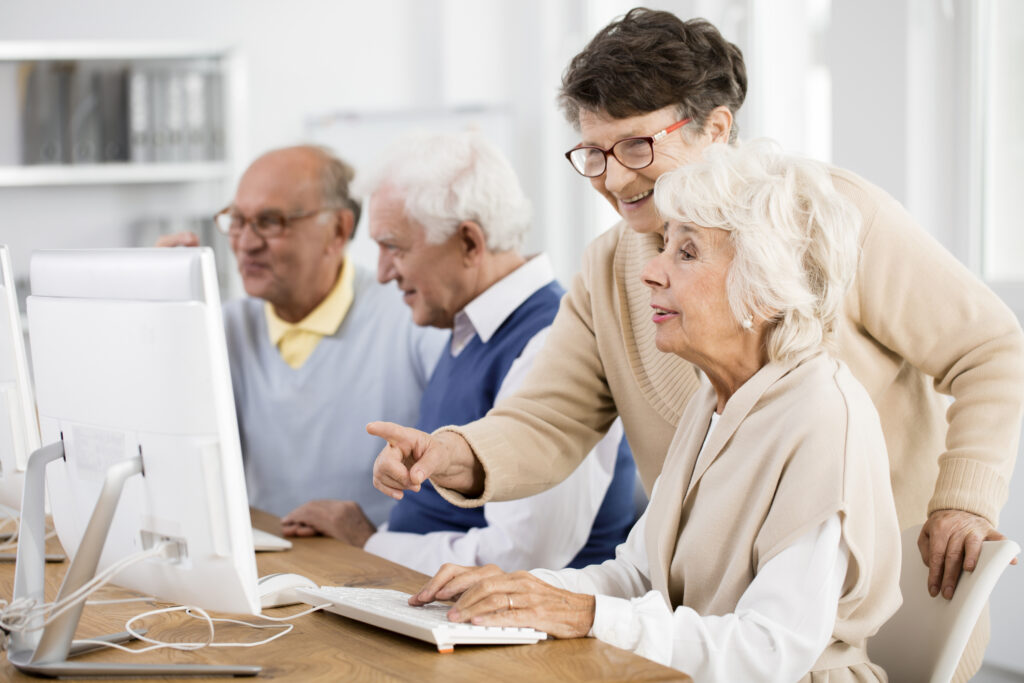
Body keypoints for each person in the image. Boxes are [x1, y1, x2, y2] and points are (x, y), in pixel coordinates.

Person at [368, 9, 1024, 679]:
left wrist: (963, 500)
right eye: (593, 151)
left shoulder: (831, 221)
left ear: (717, 128)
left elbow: (991, 347)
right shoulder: (617, 281)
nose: (614, 178)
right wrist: (454, 452)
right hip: (702, 630)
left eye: (636, 145)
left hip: (863, 616)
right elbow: (548, 419)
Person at [407, 140, 902, 681]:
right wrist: (520, 591)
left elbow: (770, 650)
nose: (651, 272)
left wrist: (586, 615)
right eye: (665, 246)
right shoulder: (715, 399)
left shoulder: (823, 415)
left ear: (767, 288)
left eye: (686, 253)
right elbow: (639, 576)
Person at [281, 132, 635, 574]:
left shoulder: (549, 342)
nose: (385, 272)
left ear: (469, 243)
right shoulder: (468, 327)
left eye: (394, 247)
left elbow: (517, 559)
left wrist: (367, 541)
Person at [157, 145, 445, 522]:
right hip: (266, 560)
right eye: (238, 221)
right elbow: (165, 453)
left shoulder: (412, 316)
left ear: (338, 230)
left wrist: (377, 543)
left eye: (271, 221)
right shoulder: (220, 326)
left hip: (381, 564)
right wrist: (161, 322)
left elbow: (458, 474)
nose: (245, 243)